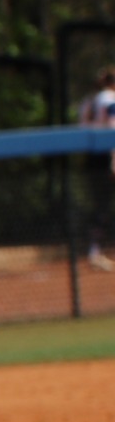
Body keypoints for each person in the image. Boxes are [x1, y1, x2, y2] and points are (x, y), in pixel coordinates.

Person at [76, 66, 115, 270]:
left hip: (90, 157)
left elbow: (81, 127)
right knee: (102, 206)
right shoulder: (109, 98)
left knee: (100, 205)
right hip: (106, 156)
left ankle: (95, 250)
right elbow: (112, 127)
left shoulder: (87, 101)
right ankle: (94, 251)